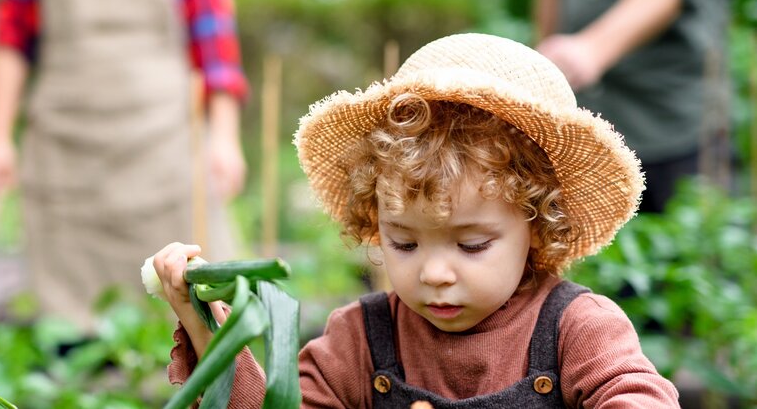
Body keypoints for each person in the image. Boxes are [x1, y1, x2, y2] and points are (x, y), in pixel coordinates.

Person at [151, 34, 680, 407]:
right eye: (404, 243)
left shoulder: (578, 331)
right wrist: (210, 329)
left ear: (538, 228)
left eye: (471, 245)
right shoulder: (359, 340)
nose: (434, 273)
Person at [0, 0, 249, 331]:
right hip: (64, 149)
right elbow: (12, 38)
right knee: (66, 331)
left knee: (187, 322)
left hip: (165, 143)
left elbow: (216, 53)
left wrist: (225, 139)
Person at [534, 0, 731, 213]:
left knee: (694, 236)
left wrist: (593, 48)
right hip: (588, 124)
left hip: (670, 120)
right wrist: (543, 70)